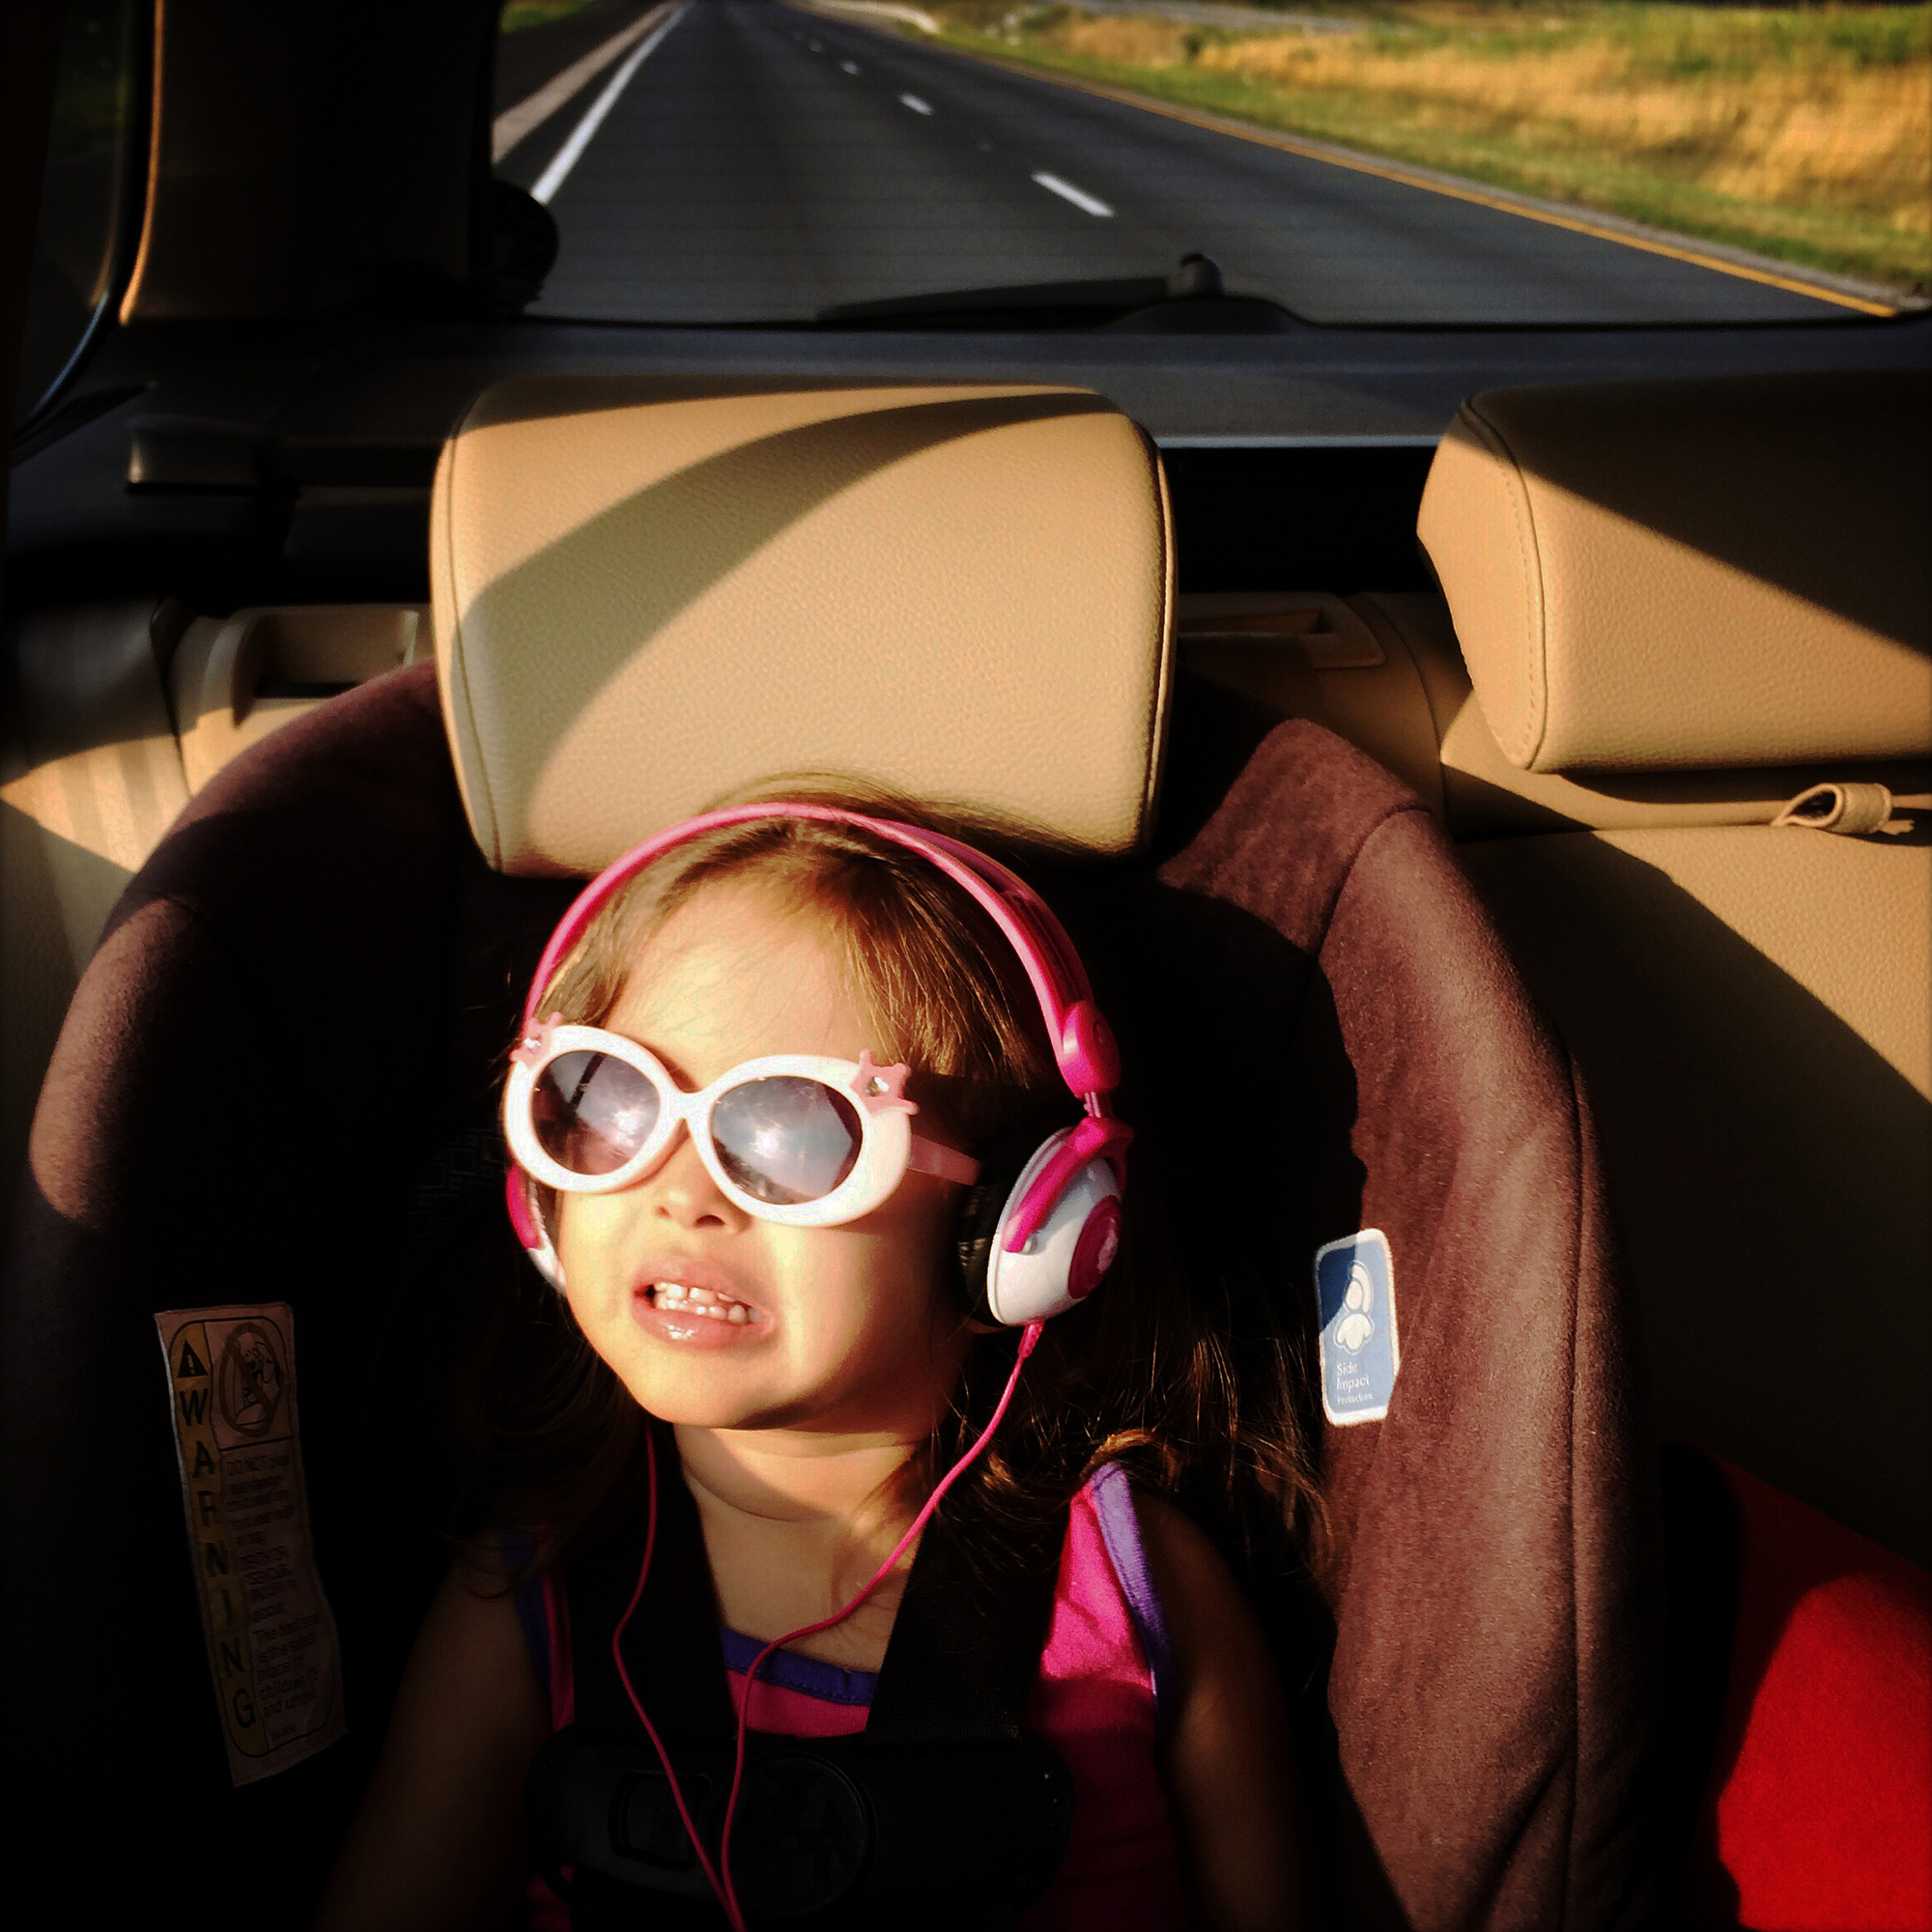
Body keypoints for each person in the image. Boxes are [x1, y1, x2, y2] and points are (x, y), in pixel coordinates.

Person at [318, 800, 1323, 1932]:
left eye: (791, 1132)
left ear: (1015, 1228)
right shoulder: (523, 1606)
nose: (680, 1191)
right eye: (609, 1102)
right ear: (539, 1201)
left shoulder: (1136, 1591)